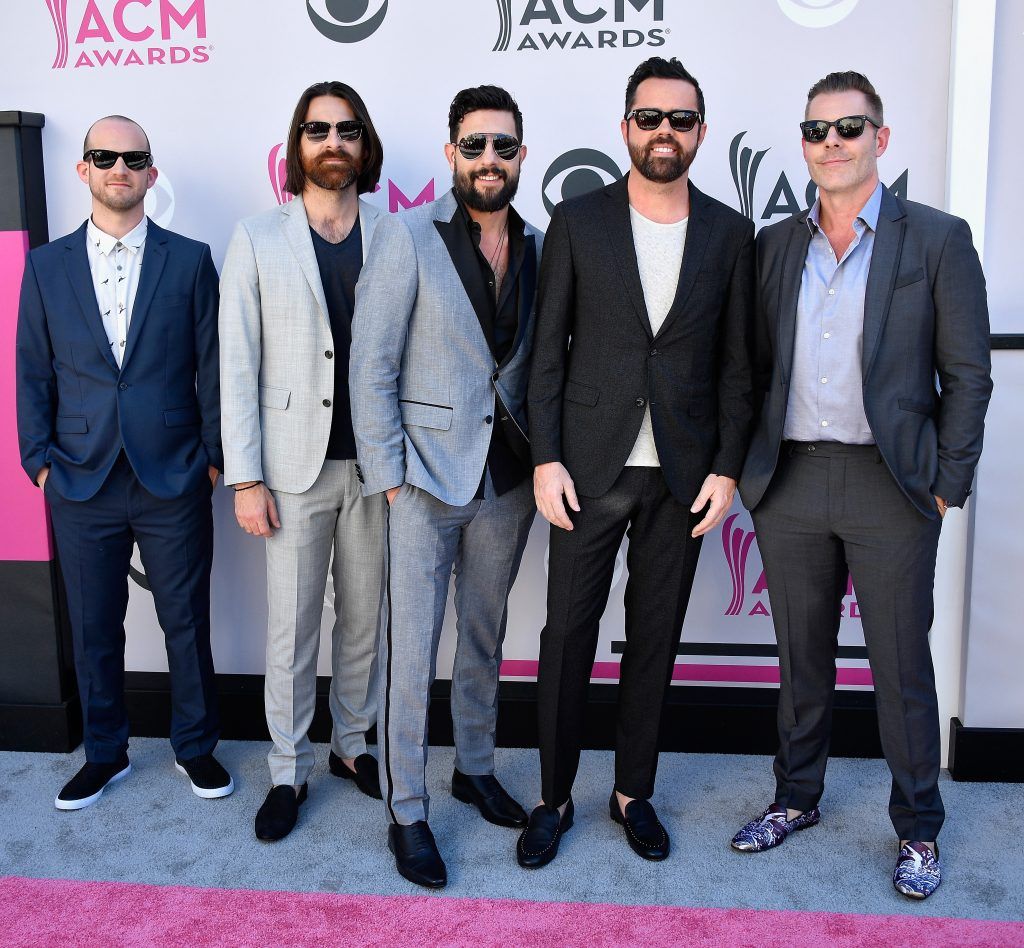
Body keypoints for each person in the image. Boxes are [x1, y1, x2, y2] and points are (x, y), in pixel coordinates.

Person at [730, 71, 992, 901]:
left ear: (882, 138)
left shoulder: (938, 240)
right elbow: (748, 369)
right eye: (816, 131)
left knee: (899, 667)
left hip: (894, 485)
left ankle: (918, 828)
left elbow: (969, 376)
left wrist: (946, 485)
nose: (831, 143)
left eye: (849, 127)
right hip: (794, 480)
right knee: (800, 659)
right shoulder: (774, 246)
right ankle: (795, 798)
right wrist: (748, 472)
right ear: (802, 144)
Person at [519, 56, 755, 868]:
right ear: (626, 128)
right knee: (566, 637)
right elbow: (546, 357)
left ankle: (632, 793)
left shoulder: (730, 232)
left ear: (699, 131)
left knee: (655, 639)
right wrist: (546, 457)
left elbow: (736, 365)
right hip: (587, 468)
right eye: (650, 118)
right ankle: (553, 797)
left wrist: (727, 467)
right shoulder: (578, 223)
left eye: (680, 120)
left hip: (685, 477)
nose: (665, 132)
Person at [349, 85, 543, 889]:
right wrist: (391, 480)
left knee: (484, 636)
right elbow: (372, 366)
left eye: (503, 146)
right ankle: (407, 808)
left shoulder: (540, 242)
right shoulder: (407, 234)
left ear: (521, 155)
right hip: (423, 483)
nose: (488, 160)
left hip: (508, 482)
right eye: (474, 146)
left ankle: (472, 764)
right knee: (410, 648)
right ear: (451, 153)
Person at [16, 115, 230, 809]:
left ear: (150, 172)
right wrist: (40, 463)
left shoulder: (191, 259)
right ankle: (105, 753)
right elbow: (30, 372)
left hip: (173, 474)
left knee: (186, 621)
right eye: (104, 157)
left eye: (133, 158)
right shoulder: (46, 266)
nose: (119, 168)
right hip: (79, 479)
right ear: (83, 170)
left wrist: (214, 458)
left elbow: (214, 366)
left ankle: (195, 747)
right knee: (94, 625)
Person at [219, 81, 388, 842]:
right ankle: (287, 770)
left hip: (375, 469)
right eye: (318, 130)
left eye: (346, 130)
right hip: (290, 469)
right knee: (291, 630)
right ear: (299, 145)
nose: (333, 142)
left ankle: (352, 746)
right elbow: (238, 366)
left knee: (363, 621)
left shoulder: (396, 233)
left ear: (364, 144)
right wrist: (246, 476)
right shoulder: (257, 238)